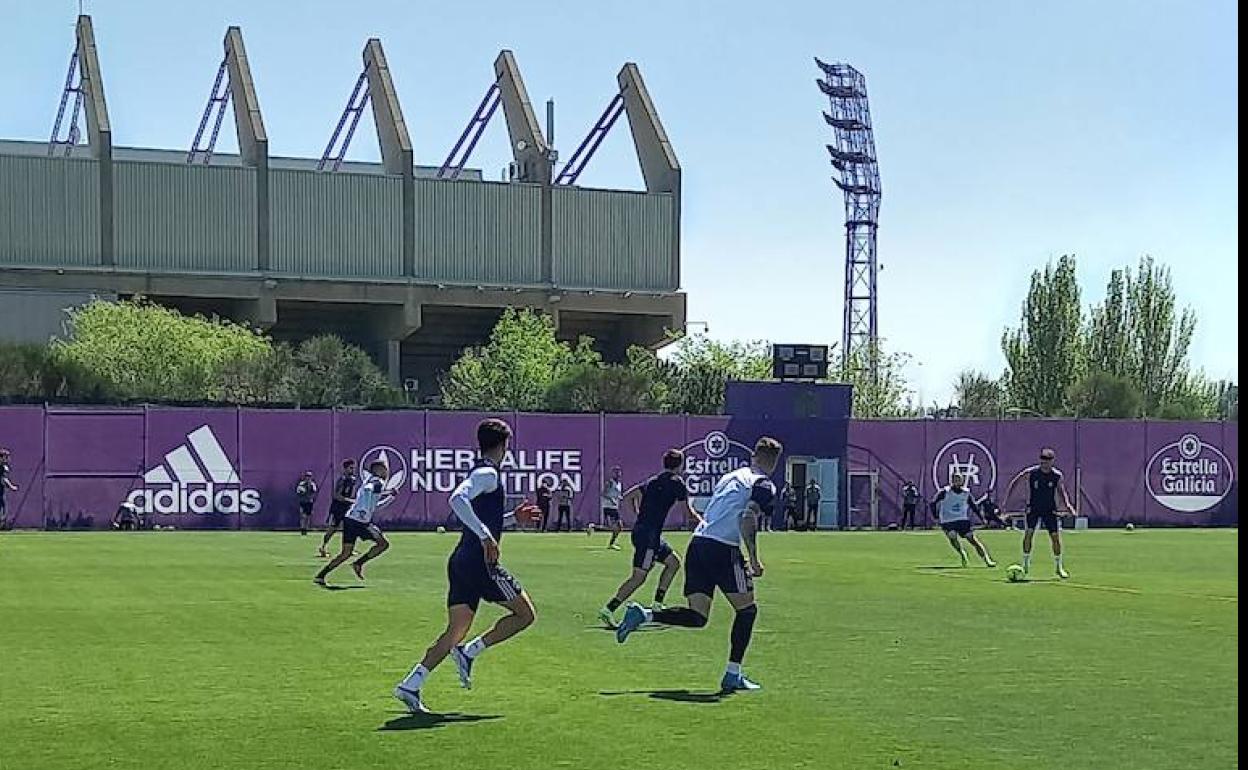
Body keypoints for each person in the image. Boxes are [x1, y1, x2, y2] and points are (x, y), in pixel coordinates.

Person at [616, 437, 782, 694]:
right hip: (722, 548)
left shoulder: (732, 476)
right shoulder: (763, 484)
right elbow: (748, 516)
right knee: (747, 610)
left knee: (698, 616)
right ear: (775, 462)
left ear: (754, 456)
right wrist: (754, 558)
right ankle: (732, 674)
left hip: (698, 544)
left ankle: (645, 615)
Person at [393, 419, 538, 714]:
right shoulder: (488, 473)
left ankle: (411, 684)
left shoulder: (482, 472)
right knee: (525, 615)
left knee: (455, 630)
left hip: (461, 561)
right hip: (479, 564)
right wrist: (487, 537)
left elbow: (480, 515)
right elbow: (457, 498)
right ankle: (471, 651)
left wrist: (511, 520)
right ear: (504, 446)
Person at [598, 449, 701, 627]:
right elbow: (688, 512)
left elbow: (629, 496)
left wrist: (638, 513)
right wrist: (704, 523)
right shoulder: (678, 483)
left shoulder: (653, 480)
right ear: (680, 465)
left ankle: (657, 605)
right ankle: (608, 609)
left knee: (673, 563)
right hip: (649, 536)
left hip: (645, 532)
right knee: (638, 577)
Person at [313, 460, 393, 586]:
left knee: (347, 553)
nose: (387, 471)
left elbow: (376, 506)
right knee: (382, 545)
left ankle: (322, 576)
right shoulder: (376, 482)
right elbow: (370, 489)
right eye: (385, 469)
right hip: (358, 521)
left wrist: (390, 496)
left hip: (354, 520)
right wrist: (380, 491)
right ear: (379, 469)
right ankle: (356, 564)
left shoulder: (372, 481)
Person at [1003, 447, 1076, 579]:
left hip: (1050, 509)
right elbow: (1016, 481)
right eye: (1042, 459)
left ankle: (1059, 567)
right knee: (1029, 534)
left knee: (1055, 537)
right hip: (1034, 508)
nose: (1044, 462)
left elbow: (1061, 491)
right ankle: (1025, 565)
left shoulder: (1056, 475)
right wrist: (1007, 501)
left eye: (1047, 460)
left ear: (1052, 461)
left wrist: (1068, 505)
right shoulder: (1031, 473)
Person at [932, 473, 996, 567]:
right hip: (947, 520)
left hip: (962, 519)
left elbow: (974, 506)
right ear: (952, 481)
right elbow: (933, 503)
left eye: (959, 480)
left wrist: (982, 518)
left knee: (972, 539)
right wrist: (936, 516)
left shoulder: (966, 493)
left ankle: (987, 560)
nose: (958, 482)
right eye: (955, 480)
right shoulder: (945, 492)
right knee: (952, 536)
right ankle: (962, 553)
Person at [318, 459, 358, 557]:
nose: (352, 470)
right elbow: (336, 495)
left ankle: (349, 549)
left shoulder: (352, 480)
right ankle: (323, 547)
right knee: (333, 528)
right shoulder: (342, 480)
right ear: (345, 469)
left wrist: (352, 501)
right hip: (338, 508)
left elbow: (351, 494)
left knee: (349, 529)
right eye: (350, 468)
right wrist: (349, 500)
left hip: (347, 508)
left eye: (353, 468)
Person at [601, 466, 624, 550]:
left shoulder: (619, 484)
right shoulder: (610, 482)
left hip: (614, 507)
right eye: (616, 472)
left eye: (619, 472)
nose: (618, 474)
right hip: (609, 506)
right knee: (619, 526)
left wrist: (619, 497)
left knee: (614, 527)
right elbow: (604, 493)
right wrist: (612, 500)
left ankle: (592, 527)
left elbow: (616, 494)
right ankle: (611, 544)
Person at [295, 471, 318, 536]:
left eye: (309, 476)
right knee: (303, 516)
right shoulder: (301, 484)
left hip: (309, 502)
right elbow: (298, 491)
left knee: (308, 516)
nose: (308, 478)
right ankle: (302, 529)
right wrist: (302, 491)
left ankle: (306, 528)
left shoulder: (312, 484)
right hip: (303, 502)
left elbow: (314, 491)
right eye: (307, 476)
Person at [0, 448, 16, 531]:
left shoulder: (4, 467)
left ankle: (2, 525)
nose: (7, 459)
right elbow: (3, 479)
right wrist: (11, 486)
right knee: (4, 511)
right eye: (6, 457)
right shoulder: (2, 467)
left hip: (1, 492)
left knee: (4, 510)